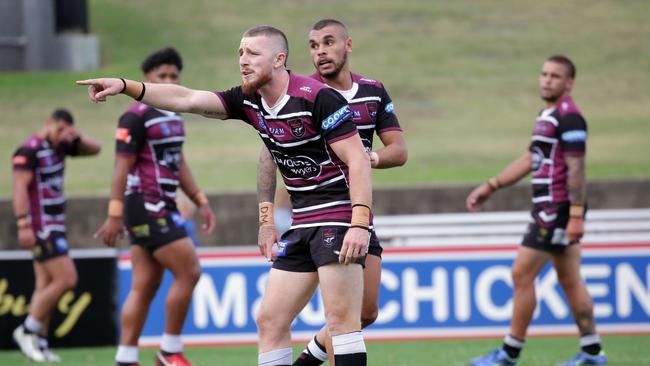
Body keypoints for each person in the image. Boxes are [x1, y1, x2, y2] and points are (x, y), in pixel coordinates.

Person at [77, 26, 372, 366]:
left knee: (340, 322)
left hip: (336, 216)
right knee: (270, 320)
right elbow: (186, 99)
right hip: (301, 222)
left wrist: (360, 222)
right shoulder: (249, 99)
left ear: (279, 59)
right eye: (240, 53)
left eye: (252, 54)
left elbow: (358, 158)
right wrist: (127, 87)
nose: (243, 61)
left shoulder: (317, 97)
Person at [256, 19, 407, 366]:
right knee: (339, 320)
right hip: (317, 218)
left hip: (356, 212)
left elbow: (399, 150)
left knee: (366, 313)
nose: (320, 51)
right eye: (313, 45)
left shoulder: (373, 91)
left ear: (348, 45)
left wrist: (367, 158)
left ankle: (307, 359)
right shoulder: (301, 92)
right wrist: (268, 219)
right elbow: (269, 159)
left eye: (328, 43)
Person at [466, 55, 607, 366]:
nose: (547, 80)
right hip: (549, 208)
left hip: (555, 210)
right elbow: (532, 157)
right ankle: (593, 352)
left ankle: (509, 353)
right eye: (544, 74)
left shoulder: (570, 118)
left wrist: (576, 214)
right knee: (570, 278)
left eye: (555, 76)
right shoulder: (547, 115)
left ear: (569, 83)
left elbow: (577, 169)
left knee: (521, 273)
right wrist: (492, 185)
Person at [92, 47, 216, 366]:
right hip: (147, 206)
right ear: (147, 79)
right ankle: (170, 351)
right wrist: (114, 214)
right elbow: (121, 167)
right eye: (162, 76)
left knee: (145, 285)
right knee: (189, 271)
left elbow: (179, 162)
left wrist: (200, 200)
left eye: (174, 76)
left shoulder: (174, 116)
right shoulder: (135, 116)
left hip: (159, 206)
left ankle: (125, 357)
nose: (169, 80)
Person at [12, 109, 101, 362]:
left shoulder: (62, 146)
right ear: (49, 123)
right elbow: (19, 187)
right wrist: (22, 223)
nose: (63, 134)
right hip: (41, 227)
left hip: (56, 223)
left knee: (44, 285)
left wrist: (76, 137)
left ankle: (40, 343)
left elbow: (96, 149)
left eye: (67, 130)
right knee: (67, 279)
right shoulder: (29, 150)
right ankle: (26, 330)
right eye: (60, 129)